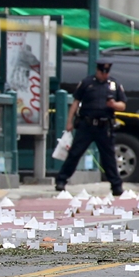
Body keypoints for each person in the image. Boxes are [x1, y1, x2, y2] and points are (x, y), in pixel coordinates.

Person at [54, 61, 127, 196]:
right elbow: (76, 102)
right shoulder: (87, 83)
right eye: (102, 72)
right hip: (86, 125)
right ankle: (61, 180)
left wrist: (113, 105)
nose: (104, 75)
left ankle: (116, 185)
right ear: (97, 71)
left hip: (104, 126)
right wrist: (69, 122)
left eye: (106, 73)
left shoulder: (114, 84)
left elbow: (123, 105)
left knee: (108, 157)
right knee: (75, 153)